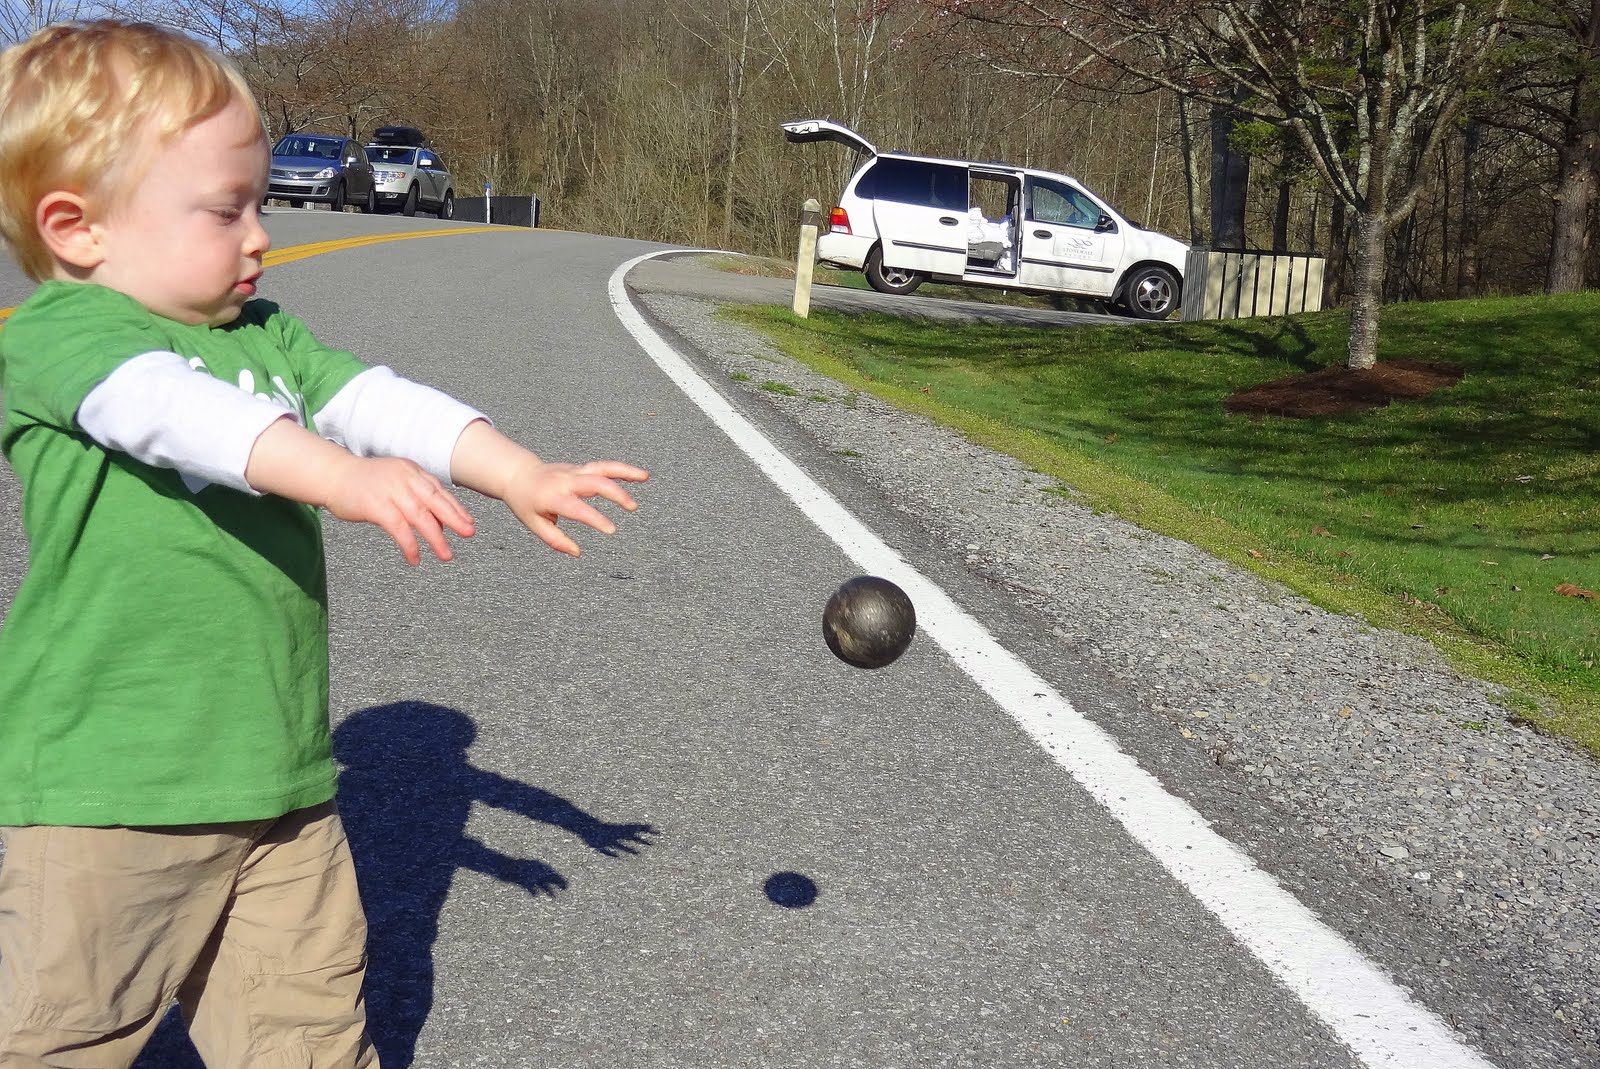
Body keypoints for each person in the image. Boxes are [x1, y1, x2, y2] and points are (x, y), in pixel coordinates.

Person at [0, 20, 647, 1069]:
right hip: (108, 800)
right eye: (225, 210)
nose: (262, 236)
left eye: (260, 203)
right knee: (67, 1037)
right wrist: (334, 476)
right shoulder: (62, 338)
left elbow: (373, 399)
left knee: (306, 1030)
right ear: (78, 229)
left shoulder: (265, 335)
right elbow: (168, 414)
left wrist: (515, 468)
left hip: (280, 788)